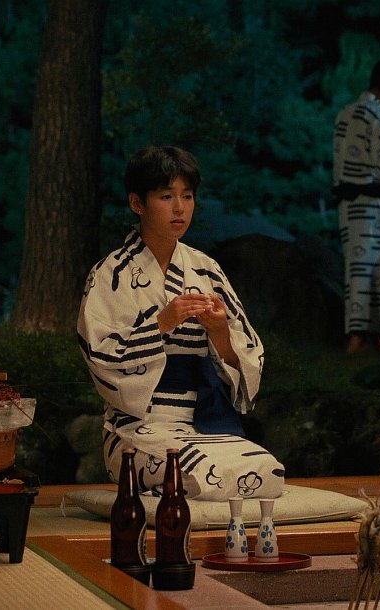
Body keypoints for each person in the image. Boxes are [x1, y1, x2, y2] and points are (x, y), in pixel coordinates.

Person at [77, 146, 285, 501]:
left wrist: (219, 331)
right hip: (137, 428)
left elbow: (248, 357)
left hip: (203, 424)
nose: (179, 208)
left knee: (267, 472)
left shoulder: (206, 269)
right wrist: (161, 323)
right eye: (166, 196)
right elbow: (102, 359)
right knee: (208, 475)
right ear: (137, 203)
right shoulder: (110, 275)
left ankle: (176, 493)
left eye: (187, 196)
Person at [333, 58, 380, 354]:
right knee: (379, 270)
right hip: (376, 207)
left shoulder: (345, 113)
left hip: (349, 206)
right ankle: (377, 335)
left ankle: (355, 335)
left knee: (355, 270)